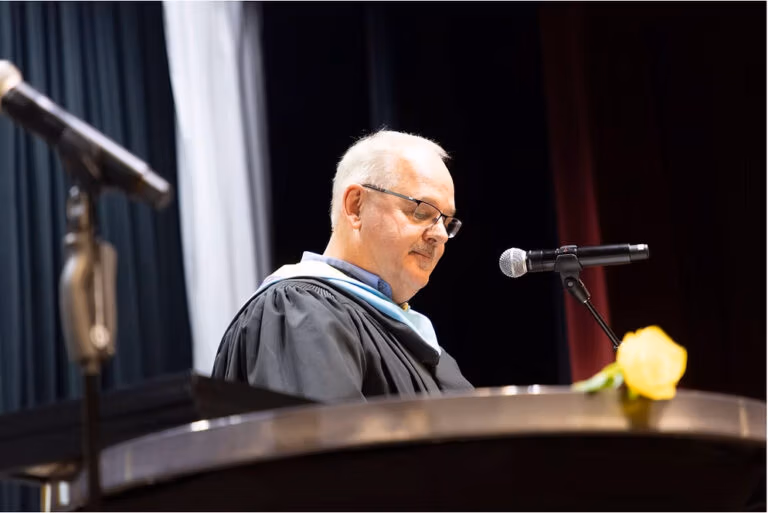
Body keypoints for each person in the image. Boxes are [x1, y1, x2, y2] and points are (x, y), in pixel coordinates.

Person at [212, 130, 473, 401]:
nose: (440, 234)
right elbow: (324, 438)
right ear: (356, 206)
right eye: (422, 211)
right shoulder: (299, 311)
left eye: (446, 221)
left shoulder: (420, 342)